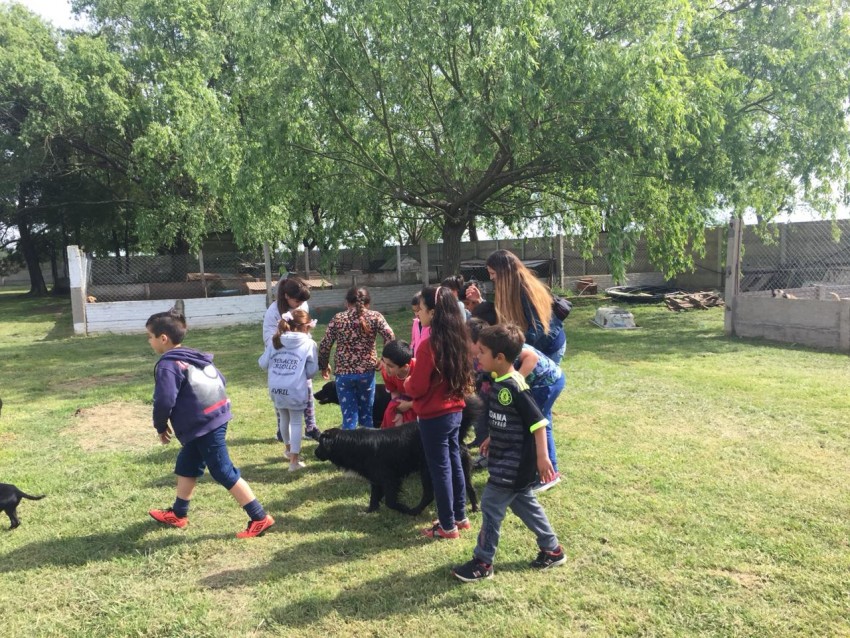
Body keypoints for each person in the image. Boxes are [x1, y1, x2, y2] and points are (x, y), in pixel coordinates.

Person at [451, 323, 565, 582]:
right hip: (505, 459)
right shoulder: (499, 381)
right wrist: (493, 436)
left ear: (499, 358)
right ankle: (552, 549)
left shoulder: (515, 386)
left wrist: (543, 457)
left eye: (482, 353)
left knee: (490, 505)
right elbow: (509, 417)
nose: (477, 357)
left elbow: (537, 423)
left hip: (512, 465)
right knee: (525, 505)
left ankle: (483, 562)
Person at [146, 310, 274, 538]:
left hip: (204, 423)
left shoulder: (168, 365)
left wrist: (160, 425)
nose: (149, 341)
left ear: (163, 338)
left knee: (223, 470)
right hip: (214, 417)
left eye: (150, 336)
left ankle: (259, 517)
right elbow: (220, 379)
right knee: (187, 464)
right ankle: (178, 513)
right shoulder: (194, 356)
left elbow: (164, 399)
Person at [404, 285, 472, 539]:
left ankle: (447, 525)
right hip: (454, 410)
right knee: (454, 462)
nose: (418, 315)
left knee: (440, 467)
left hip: (433, 416)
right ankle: (459, 516)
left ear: (432, 312)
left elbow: (418, 387)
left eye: (420, 310)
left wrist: (407, 380)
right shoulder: (458, 338)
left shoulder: (428, 345)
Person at [468, 318, 565, 491]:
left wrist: (516, 380)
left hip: (547, 381)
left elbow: (532, 356)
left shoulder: (503, 348)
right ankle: (545, 470)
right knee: (536, 420)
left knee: (535, 423)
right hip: (534, 383)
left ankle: (547, 473)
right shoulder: (493, 354)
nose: (476, 354)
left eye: (469, 342)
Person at [318, 286, 395, 430]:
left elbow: (325, 344)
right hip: (366, 373)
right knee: (367, 415)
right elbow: (390, 337)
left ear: (347, 303)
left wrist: (324, 365)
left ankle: (349, 449)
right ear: (368, 303)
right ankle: (369, 449)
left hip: (344, 375)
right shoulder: (375, 317)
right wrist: (384, 360)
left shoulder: (338, 318)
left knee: (349, 417)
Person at [262, 275, 321, 442]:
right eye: (297, 301)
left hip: (299, 359)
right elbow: (270, 340)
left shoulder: (302, 304)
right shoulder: (273, 312)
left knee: (307, 392)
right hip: (281, 362)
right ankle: (283, 431)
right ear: (287, 296)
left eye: (303, 302)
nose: (301, 305)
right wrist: (290, 344)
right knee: (282, 397)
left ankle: (310, 427)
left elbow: (303, 329)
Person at [259, 310, 319, 471]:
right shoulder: (308, 344)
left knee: (283, 419)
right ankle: (294, 461)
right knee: (297, 422)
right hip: (295, 388)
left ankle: (288, 449)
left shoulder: (276, 340)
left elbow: (263, 364)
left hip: (276, 388)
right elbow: (312, 371)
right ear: (306, 327)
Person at [485, 249, 566, 364]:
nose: (491, 278)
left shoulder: (526, 290)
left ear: (504, 271)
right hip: (536, 346)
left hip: (549, 346)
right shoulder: (512, 287)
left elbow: (538, 327)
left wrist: (515, 349)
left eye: (493, 273)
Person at [379, 340, 416, 428]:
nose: (386, 368)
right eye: (384, 362)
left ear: (405, 367)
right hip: (403, 399)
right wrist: (398, 411)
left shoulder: (419, 370)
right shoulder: (386, 373)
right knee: (390, 413)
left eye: (390, 366)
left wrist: (408, 405)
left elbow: (430, 399)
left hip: (422, 402)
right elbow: (394, 392)